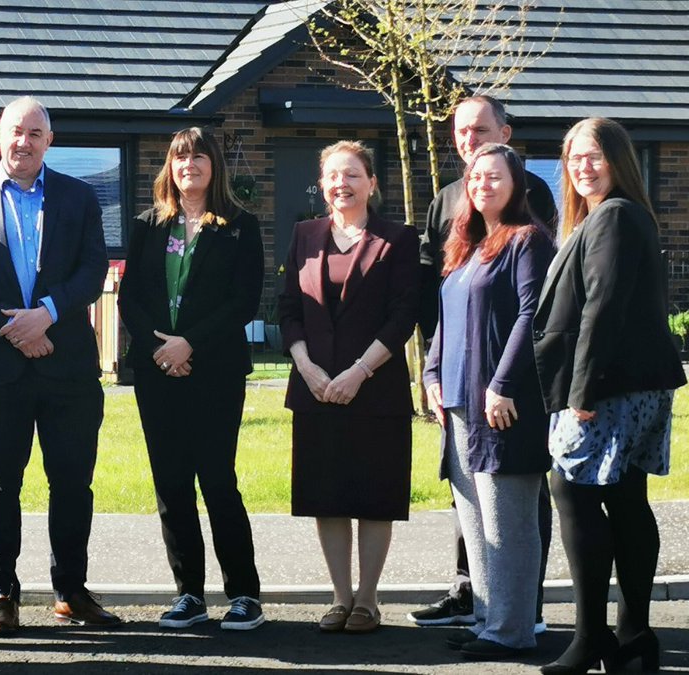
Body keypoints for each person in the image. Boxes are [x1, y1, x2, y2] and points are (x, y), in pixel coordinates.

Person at [0, 96, 117, 635]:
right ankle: (2, 593)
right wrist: (14, 328)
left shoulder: (79, 197)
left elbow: (92, 269)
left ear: (50, 141)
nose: (24, 141)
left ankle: (71, 591)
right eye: (16, 131)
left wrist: (47, 315)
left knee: (71, 484)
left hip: (68, 369)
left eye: (35, 133)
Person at [534, 117, 685, 675]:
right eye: (573, 157)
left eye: (594, 155)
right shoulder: (609, 216)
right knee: (623, 499)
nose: (582, 166)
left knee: (569, 488)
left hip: (610, 385)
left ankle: (596, 636)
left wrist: (582, 389)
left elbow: (602, 307)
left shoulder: (616, 216)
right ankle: (632, 635)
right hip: (632, 382)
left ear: (619, 159)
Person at [411, 94, 556, 631]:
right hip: (458, 398)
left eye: (494, 177)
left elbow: (530, 315)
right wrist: (430, 374)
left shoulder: (527, 238)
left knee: (509, 518)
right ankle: (488, 618)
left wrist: (502, 384)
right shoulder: (466, 242)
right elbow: (444, 312)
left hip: (500, 400)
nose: (482, 183)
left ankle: (516, 625)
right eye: (475, 178)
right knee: (475, 517)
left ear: (516, 182)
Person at [118, 127, 266, 631]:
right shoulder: (147, 225)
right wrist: (162, 348)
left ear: (214, 165)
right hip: (157, 372)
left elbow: (244, 301)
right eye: (181, 158)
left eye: (199, 157)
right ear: (170, 167)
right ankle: (189, 595)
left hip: (215, 372)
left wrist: (190, 344)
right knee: (172, 484)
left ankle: (244, 594)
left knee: (219, 481)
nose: (189, 166)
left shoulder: (240, 226)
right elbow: (128, 298)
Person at [277, 140, 418, 634]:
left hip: (375, 390)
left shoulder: (398, 239)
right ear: (322, 184)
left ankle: (369, 599)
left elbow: (404, 315)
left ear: (372, 182)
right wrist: (308, 368)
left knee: (374, 495)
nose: (342, 184)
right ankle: (339, 597)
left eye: (353, 174)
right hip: (315, 390)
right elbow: (289, 308)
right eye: (333, 176)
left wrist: (359, 371)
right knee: (327, 495)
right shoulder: (304, 234)